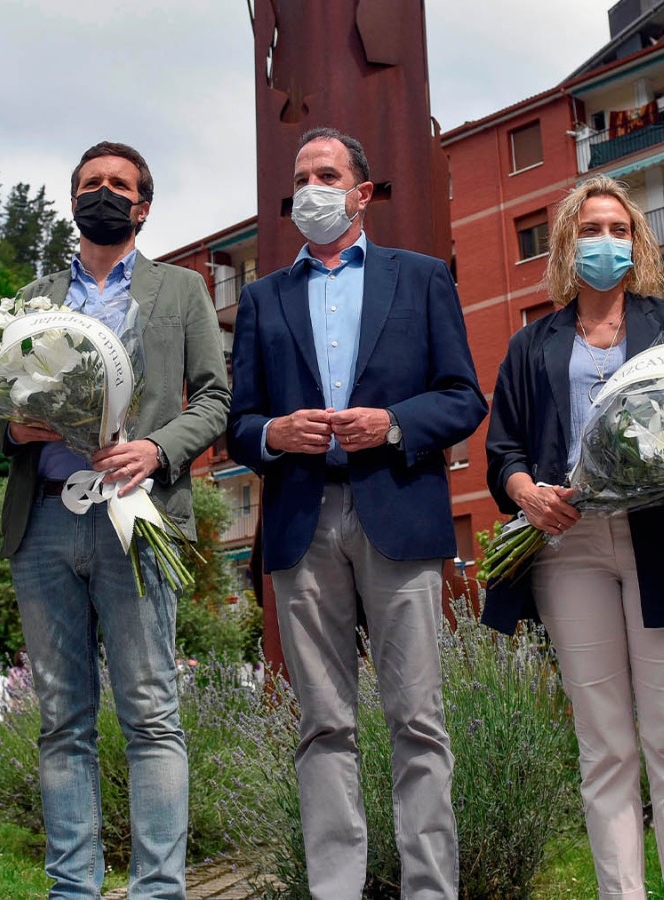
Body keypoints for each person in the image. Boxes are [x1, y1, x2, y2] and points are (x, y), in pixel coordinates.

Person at [226, 127, 487, 899]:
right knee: (324, 726)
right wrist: (275, 433)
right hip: (301, 522)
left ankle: (430, 891)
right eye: (302, 176)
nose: (311, 187)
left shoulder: (422, 279)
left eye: (327, 173)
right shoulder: (261, 297)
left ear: (361, 192)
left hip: (398, 510)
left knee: (419, 721)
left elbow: (463, 396)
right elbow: (240, 423)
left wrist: (394, 423)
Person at [482, 174, 664, 900]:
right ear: (568, 246)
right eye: (591, 230)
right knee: (603, 745)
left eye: (619, 229)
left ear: (638, 243)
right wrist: (524, 493)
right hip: (570, 546)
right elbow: (503, 449)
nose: (607, 242)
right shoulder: (533, 343)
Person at [0, 140, 230, 899]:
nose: (103, 193)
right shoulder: (33, 298)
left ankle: (158, 890)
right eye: (89, 183)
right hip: (45, 523)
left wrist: (157, 450)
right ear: (73, 202)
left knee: (151, 713)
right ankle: (74, 888)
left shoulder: (183, 290)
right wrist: (13, 428)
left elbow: (215, 400)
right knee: (62, 719)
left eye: (118, 185)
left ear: (143, 206)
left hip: (139, 515)